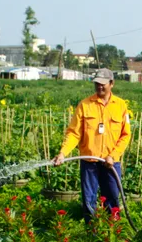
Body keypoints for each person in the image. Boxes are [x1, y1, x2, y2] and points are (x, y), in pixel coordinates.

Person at [53, 69, 131, 220]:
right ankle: (92, 233)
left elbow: (125, 135)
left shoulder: (121, 106)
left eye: (103, 84)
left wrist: (113, 156)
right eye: (97, 84)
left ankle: (113, 233)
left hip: (111, 163)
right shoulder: (84, 105)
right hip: (89, 163)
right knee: (89, 201)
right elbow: (74, 133)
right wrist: (63, 153)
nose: (99, 87)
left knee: (113, 199)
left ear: (112, 84)